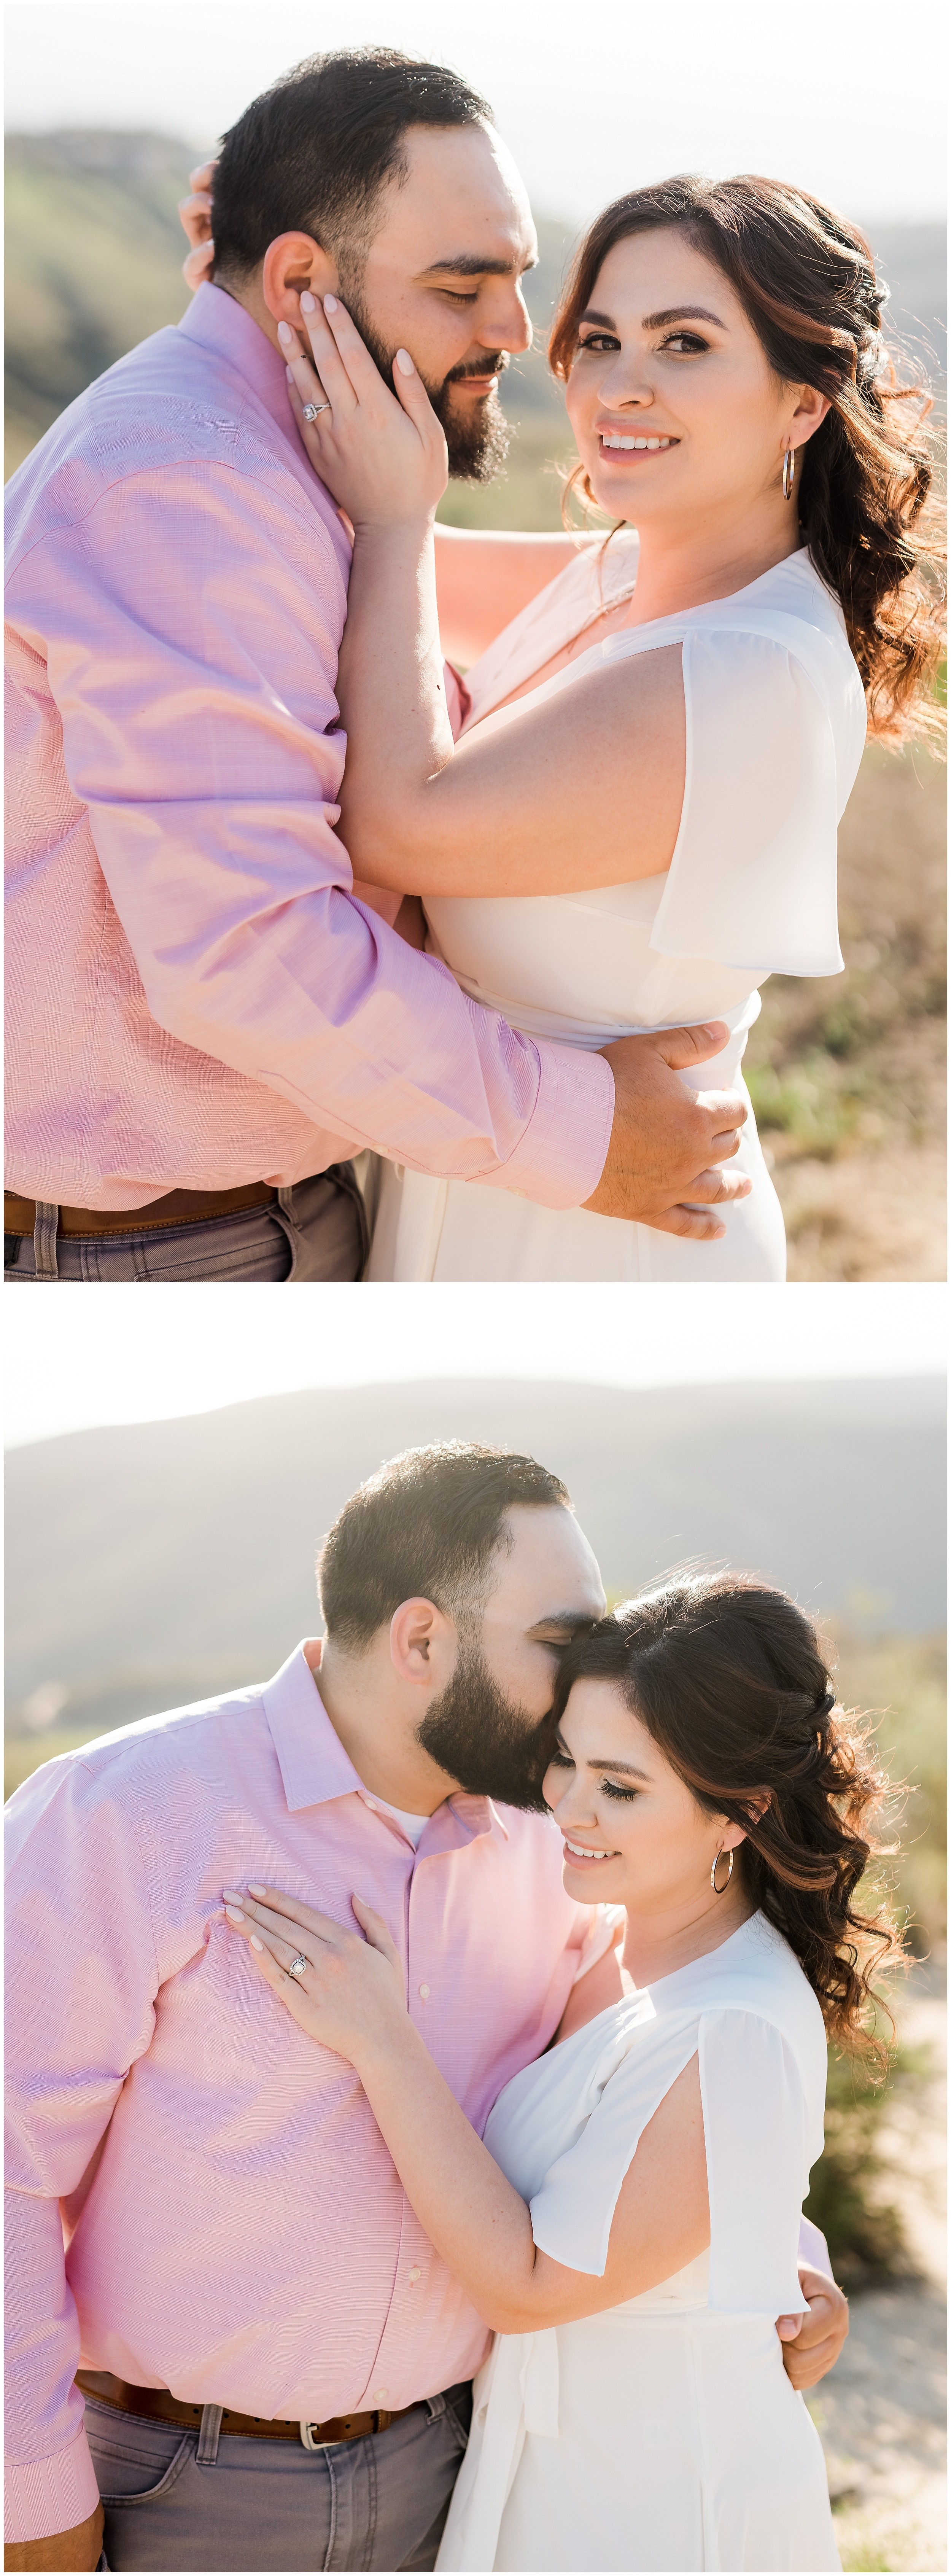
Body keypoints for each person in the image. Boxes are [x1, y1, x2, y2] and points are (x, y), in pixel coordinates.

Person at [4, 1446, 848, 2575]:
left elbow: (640, 2054)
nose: (588, 1682)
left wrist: (766, 2241)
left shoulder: (558, 1836)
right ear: (420, 1640)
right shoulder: (123, 1810)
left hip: (462, 2481)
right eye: (560, 1643)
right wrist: (30, 2499)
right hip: (185, 2488)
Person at [3, 52, 751, 1284]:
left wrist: (787, 558)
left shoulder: (299, 452)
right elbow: (250, 949)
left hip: (253, 1219)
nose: (514, 334)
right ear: (298, 277)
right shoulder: (192, 489)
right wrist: (585, 1132)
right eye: (461, 288)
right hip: (159, 1256)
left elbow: (475, 592)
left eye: (513, 279)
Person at [275, 173, 943, 1279]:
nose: (618, 388)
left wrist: (401, 513)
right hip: (499, 1175)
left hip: (601, 1232)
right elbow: (323, 561)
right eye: (599, 339)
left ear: (800, 401)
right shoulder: (628, 575)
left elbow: (396, 823)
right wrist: (261, 288)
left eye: (683, 344)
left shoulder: (743, 669)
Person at [221, 1573, 899, 2572]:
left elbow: (531, 2284)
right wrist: (779, 2253)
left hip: (654, 2500)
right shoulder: (602, 1927)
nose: (566, 1807)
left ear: (735, 1813)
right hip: (541, 2460)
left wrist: (380, 2037)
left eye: (619, 1786)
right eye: (564, 1760)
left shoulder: (732, 2024)